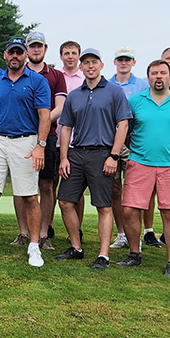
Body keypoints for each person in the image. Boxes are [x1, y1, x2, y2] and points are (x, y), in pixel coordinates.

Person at [0, 38, 51, 267]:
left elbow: (44, 115)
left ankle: (34, 246)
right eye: (11, 53)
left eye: (19, 52)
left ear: (25, 55)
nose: (15, 56)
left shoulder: (37, 81)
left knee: (28, 196)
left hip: (26, 141)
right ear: (4, 55)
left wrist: (40, 146)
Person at [119, 60, 170, 276]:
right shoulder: (136, 101)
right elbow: (126, 132)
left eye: (163, 73)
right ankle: (134, 254)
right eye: (154, 73)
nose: (158, 76)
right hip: (139, 162)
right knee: (129, 210)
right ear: (148, 78)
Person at [55, 48, 132, 269]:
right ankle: (77, 247)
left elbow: (123, 125)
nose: (90, 66)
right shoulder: (74, 95)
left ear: (101, 65)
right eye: (86, 63)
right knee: (65, 201)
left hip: (103, 152)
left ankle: (104, 255)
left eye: (94, 62)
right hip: (77, 153)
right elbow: (66, 127)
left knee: (103, 206)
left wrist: (113, 156)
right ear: (81, 67)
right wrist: (64, 158)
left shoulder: (114, 92)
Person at [24, 31, 68, 251]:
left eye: (39, 46)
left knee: (46, 185)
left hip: (47, 136)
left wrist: (40, 122)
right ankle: (23, 232)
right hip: (21, 136)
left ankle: (43, 233)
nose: (35, 50)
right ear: (27, 49)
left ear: (45, 49)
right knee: (24, 186)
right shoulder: (18, 73)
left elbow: (59, 107)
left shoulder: (56, 75)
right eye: (32, 46)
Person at [108, 47, 148, 249]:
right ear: (115, 62)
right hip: (113, 142)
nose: (123, 63)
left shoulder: (143, 84)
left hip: (134, 142)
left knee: (134, 192)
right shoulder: (107, 84)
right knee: (115, 189)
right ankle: (121, 233)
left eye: (127, 60)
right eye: (120, 59)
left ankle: (135, 237)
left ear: (134, 62)